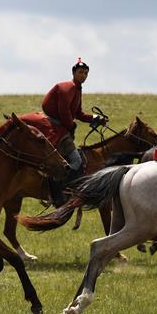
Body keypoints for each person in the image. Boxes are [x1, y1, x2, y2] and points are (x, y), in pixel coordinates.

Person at [41, 58, 107, 204]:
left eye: (85, 73)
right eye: (80, 72)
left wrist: (97, 118)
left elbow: (79, 114)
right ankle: (58, 193)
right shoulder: (69, 88)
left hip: (62, 127)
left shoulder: (77, 89)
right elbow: (64, 111)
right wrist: (71, 126)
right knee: (76, 160)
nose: (83, 75)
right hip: (56, 127)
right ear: (74, 73)